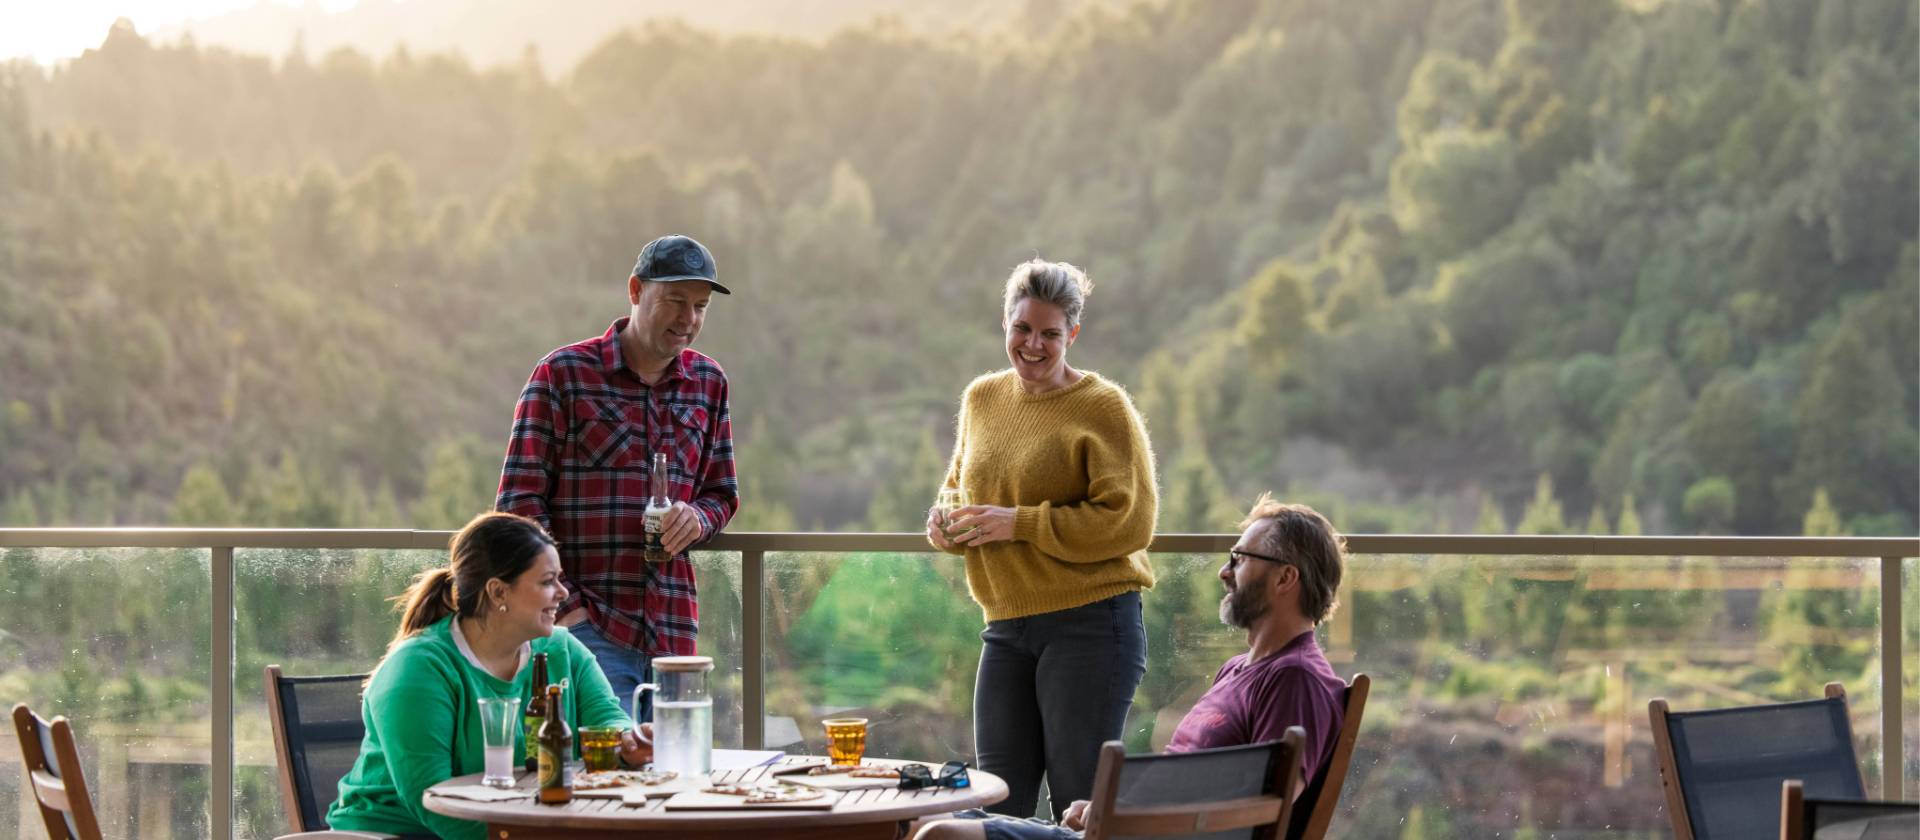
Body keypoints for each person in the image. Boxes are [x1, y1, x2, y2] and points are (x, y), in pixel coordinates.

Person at [914, 497, 1350, 840]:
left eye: (1240, 558)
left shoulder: (1296, 678)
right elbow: (1192, 783)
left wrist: (1124, 817)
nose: (1223, 570)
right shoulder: (1239, 670)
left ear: (1285, 578)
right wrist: (1110, 806)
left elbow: (1265, 804)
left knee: (941, 835)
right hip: (1127, 829)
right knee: (911, 822)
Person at [925, 258, 1158, 821]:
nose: (1033, 345)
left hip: (1092, 625)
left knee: (1079, 809)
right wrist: (943, 525)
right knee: (995, 802)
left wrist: (1021, 522)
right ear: (1005, 324)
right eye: (1022, 329)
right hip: (1005, 627)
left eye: (1050, 334)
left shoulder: (1103, 407)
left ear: (1072, 334)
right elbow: (960, 489)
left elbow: (1130, 522)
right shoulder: (981, 398)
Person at [496, 233, 740, 716]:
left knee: (672, 779)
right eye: (674, 301)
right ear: (635, 290)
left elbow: (722, 492)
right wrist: (570, 612)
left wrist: (699, 518)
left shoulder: (709, 383)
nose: (687, 319)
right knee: (595, 778)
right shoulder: (562, 374)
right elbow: (518, 504)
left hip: (675, 635)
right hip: (588, 633)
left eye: (700, 306)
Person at [327, 512, 653, 840]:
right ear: (498, 592)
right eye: (546, 581)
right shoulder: (417, 669)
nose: (563, 592)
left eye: (559, 579)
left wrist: (629, 743)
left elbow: (608, 723)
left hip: (522, 825)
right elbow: (433, 803)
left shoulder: (562, 650)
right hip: (402, 832)